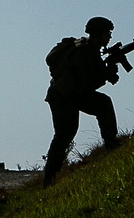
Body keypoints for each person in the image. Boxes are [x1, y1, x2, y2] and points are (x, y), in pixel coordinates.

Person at [42, 17, 121, 187]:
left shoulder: (88, 49)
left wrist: (107, 73)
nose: (109, 37)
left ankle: (112, 144)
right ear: (98, 34)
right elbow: (88, 83)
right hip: (63, 96)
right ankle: (49, 179)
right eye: (107, 33)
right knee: (65, 134)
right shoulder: (85, 51)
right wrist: (107, 74)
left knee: (102, 105)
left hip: (71, 94)